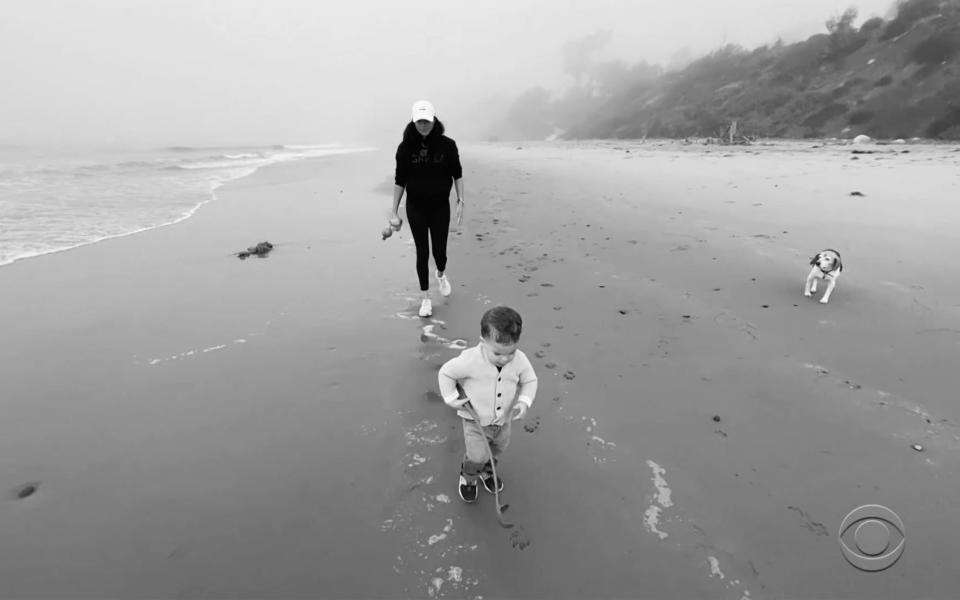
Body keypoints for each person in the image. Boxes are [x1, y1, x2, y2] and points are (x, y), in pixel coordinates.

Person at [437, 306, 538, 503]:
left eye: (511, 352)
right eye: (498, 353)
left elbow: (530, 380)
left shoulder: (519, 360)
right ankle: (469, 478)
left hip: (503, 421)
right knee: (476, 455)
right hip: (475, 421)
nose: (505, 358)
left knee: (496, 449)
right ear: (483, 342)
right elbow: (446, 373)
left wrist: (525, 401)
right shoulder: (469, 361)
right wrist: (450, 398)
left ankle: (487, 471)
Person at [391, 100, 464, 318]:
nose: (423, 125)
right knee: (422, 252)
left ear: (434, 120)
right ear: (413, 122)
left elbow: (457, 174)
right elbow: (399, 181)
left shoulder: (447, 145)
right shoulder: (405, 148)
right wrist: (394, 211)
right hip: (416, 207)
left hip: (440, 206)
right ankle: (425, 298)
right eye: (419, 121)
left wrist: (461, 200)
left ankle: (441, 273)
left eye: (427, 121)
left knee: (439, 253)